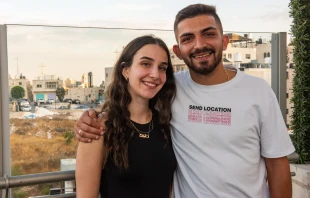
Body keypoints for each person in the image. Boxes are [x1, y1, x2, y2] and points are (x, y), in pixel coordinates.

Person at [75, 4, 295, 198]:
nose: (199, 45)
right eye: (188, 38)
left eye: (209, 34)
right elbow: (129, 103)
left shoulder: (257, 91)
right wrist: (89, 119)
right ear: (178, 51)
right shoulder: (170, 88)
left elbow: (277, 165)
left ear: (224, 41)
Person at [75, 35, 177, 197]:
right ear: (126, 70)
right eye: (145, 64)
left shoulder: (166, 124)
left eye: (162, 67)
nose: (155, 74)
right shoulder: (98, 128)